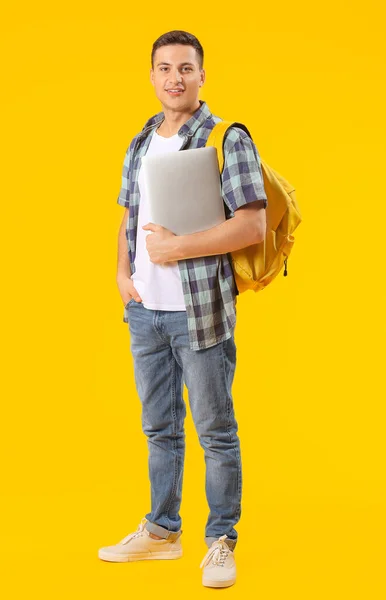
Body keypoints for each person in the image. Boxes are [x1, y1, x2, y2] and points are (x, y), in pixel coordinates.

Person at [98, 30, 268, 588]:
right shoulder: (141, 140)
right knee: (159, 428)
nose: (175, 78)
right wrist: (124, 275)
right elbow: (129, 212)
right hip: (146, 312)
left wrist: (177, 249)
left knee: (215, 429)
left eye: (186, 68)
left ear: (202, 75)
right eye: (165, 68)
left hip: (201, 311)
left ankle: (221, 539)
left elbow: (251, 223)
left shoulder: (225, 138)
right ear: (151, 76)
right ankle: (161, 531)